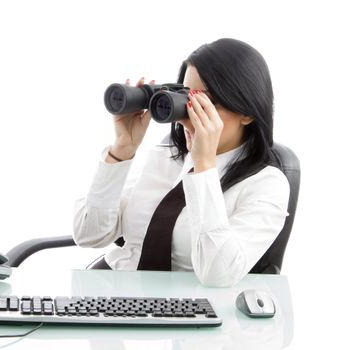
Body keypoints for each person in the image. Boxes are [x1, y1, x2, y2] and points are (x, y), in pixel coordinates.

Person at [73, 38, 290, 287]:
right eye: (186, 98)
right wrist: (122, 150)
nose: (190, 113)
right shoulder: (165, 157)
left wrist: (204, 167)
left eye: (205, 103)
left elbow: (217, 275)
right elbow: (88, 235)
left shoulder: (267, 185)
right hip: (115, 287)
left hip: (190, 310)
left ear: (247, 112)